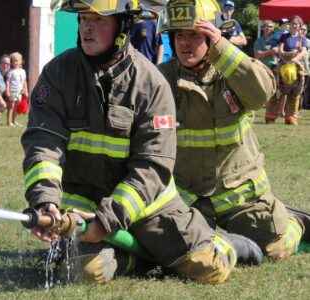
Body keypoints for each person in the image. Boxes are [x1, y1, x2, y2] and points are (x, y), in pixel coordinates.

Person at [22, 0, 260, 285]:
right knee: (86, 272)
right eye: (84, 18)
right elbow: (43, 142)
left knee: (208, 268)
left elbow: (153, 166)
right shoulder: (58, 74)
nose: (87, 27)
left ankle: (224, 242)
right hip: (86, 201)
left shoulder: (150, 83)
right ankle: (136, 257)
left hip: (147, 204)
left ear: (123, 26)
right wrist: (44, 200)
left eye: (99, 20)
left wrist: (108, 220)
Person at [158, 0, 306, 262]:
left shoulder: (231, 70)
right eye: (179, 35)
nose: (184, 43)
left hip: (241, 198)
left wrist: (223, 50)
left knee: (274, 250)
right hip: (190, 199)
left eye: (194, 34)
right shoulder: (161, 79)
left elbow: (262, 94)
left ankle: (295, 223)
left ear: (212, 37)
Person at [267, 15, 308, 125]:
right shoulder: (284, 36)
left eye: (297, 24)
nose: (294, 26)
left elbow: (303, 52)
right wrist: (289, 55)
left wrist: (294, 59)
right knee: (277, 92)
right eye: (293, 23)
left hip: (297, 66)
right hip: (283, 65)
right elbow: (280, 50)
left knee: (295, 94)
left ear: (300, 26)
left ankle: (291, 117)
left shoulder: (302, 39)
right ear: (290, 25)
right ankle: (271, 116)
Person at [5, 52, 28, 127]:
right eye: (13, 61)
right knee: (11, 106)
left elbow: (24, 81)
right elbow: (7, 82)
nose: (15, 62)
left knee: (16, 107)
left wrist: (26, 90)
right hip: (12, 91)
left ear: (21, 61)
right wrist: (7, 91)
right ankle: (9, 122)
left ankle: (14, 121)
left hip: (19, 92)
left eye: (17, 60)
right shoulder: (11, 72)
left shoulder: (23, 71)